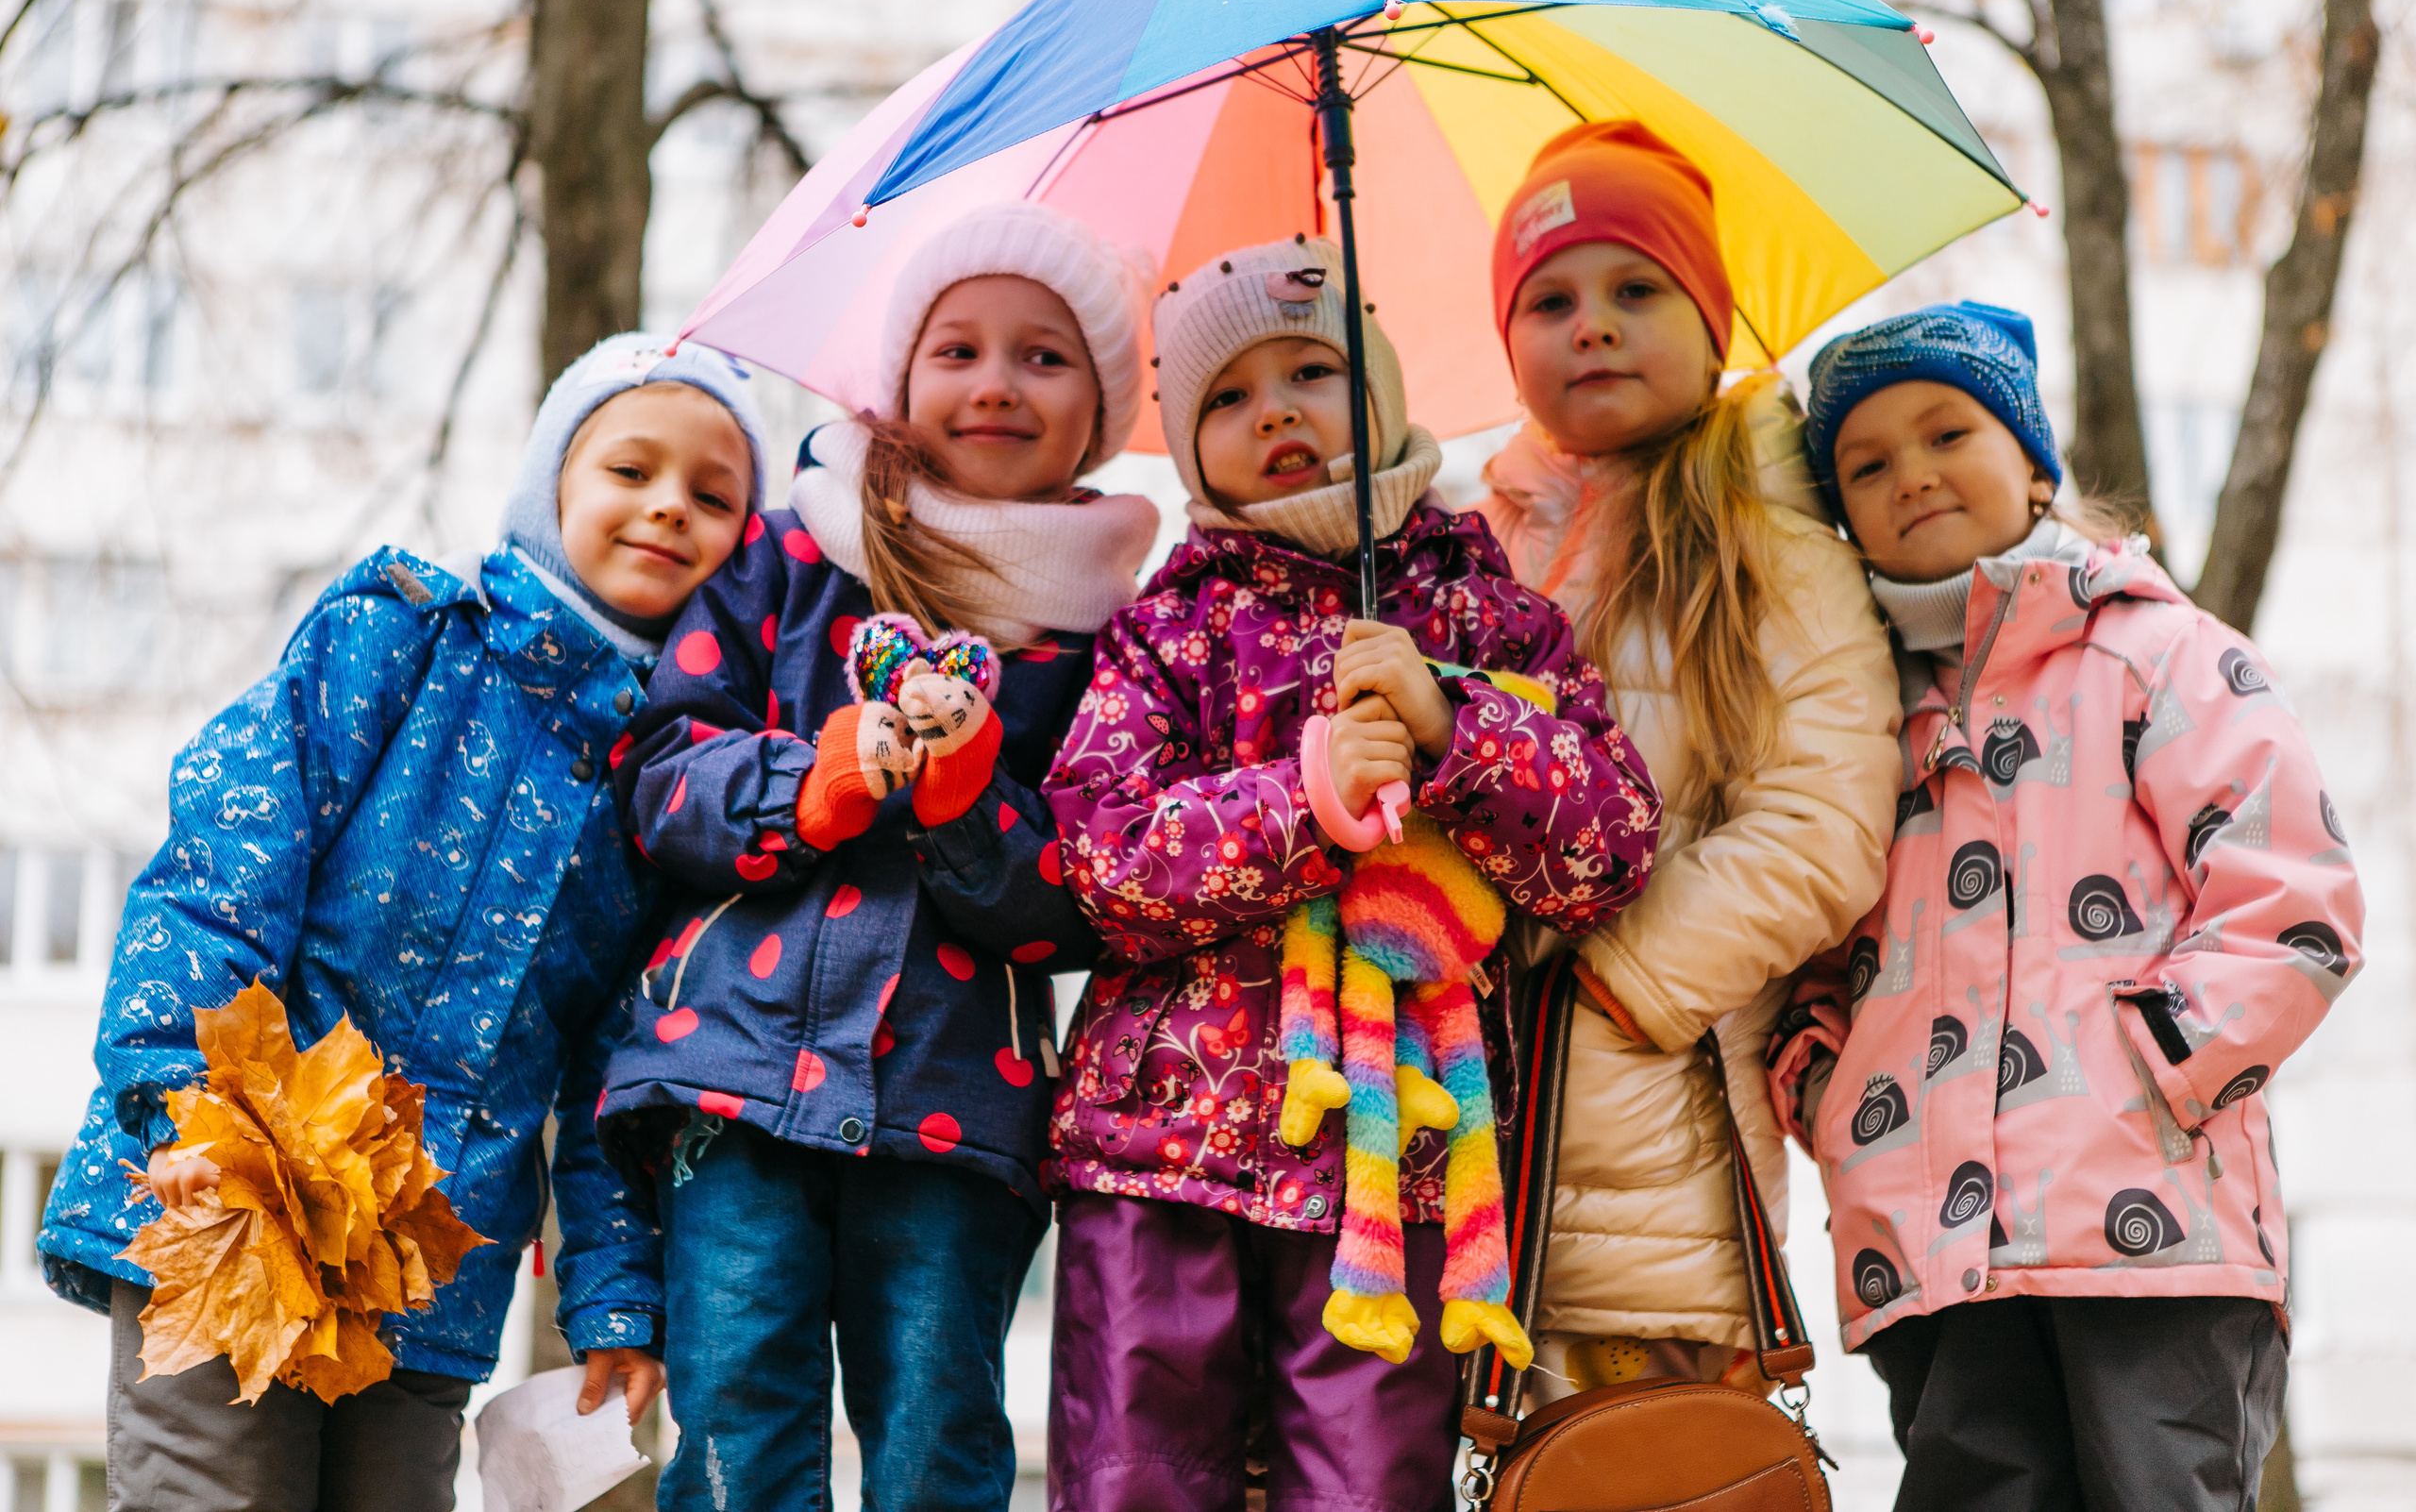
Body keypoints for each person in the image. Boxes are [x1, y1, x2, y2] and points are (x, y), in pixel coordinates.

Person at [36, 331, 769, 1511]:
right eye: (630, 471)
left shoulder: (666, 799)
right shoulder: (401, 637)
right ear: (552, 486)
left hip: (427, 1270)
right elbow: (224, 867)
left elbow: (611, 1079)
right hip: (227, 1193)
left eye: (714, 496)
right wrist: (180, 1100)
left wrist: (616, 1303)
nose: (669, 507)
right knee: (212, 1495)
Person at [1044, 235, 1661, 1512]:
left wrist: (1456, 730)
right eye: (1225, 395)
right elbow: (1103, 855)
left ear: (1383, 389)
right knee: (1137, 1478)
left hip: (1401, 1155)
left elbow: (1609, 844)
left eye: (1312, 373)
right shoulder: (1167, 629)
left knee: (1371, 1486)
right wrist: (1305, 796)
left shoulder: (1491, 618)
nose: (1272, 409)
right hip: (1164, 1144)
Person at [598, 202, 1159, 1512]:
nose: (997, 381)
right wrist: (824, 777)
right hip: (735, 1075)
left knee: (938, 1431)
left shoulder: (1105, 641)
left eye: (1044, 354)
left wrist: (967, 798)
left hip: (961, 1100)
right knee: (736, 1418)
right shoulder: (793, 553)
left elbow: (1081, 902)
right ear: (900, 378)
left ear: (1102, 408)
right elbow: (661, 779)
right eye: (957, 347)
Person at [1767, 302, 2361, 1510]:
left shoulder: (2151, 653)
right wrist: (1828, 1091)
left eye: (1947, 433)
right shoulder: (1852, 717)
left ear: (2033, 462)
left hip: (2156, 1230)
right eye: (1866, 465)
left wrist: (2158, 1063)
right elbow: (1807, 936)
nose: (1912, 476)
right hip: (1931, 1244)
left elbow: (2289, 896)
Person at [1477, 121, 1902, 1398]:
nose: (1591, 324)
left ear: (1714, 318)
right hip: (1472, 1133)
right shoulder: (1468, 539)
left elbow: (1825, 816)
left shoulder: (1764, 531)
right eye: (1549, 300)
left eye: (1635, 288)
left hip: (1656, 1130)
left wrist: (1631, 973)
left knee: (1650, 1451)